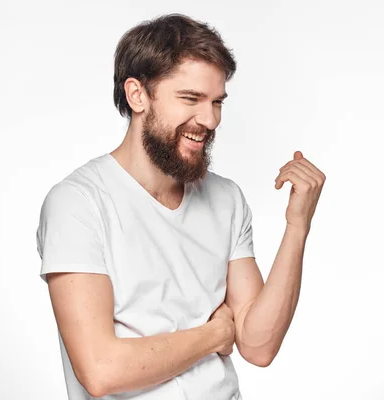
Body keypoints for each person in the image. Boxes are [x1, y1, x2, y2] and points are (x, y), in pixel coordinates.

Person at [36, 13, 325, 400]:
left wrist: (297, 225)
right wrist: (216, 334)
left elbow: (258, 345)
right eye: (190, 98)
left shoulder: (226, 199)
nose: (209, 120)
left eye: (216, 101)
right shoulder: (79, 203)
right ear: (137, 95)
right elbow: (100, 369)